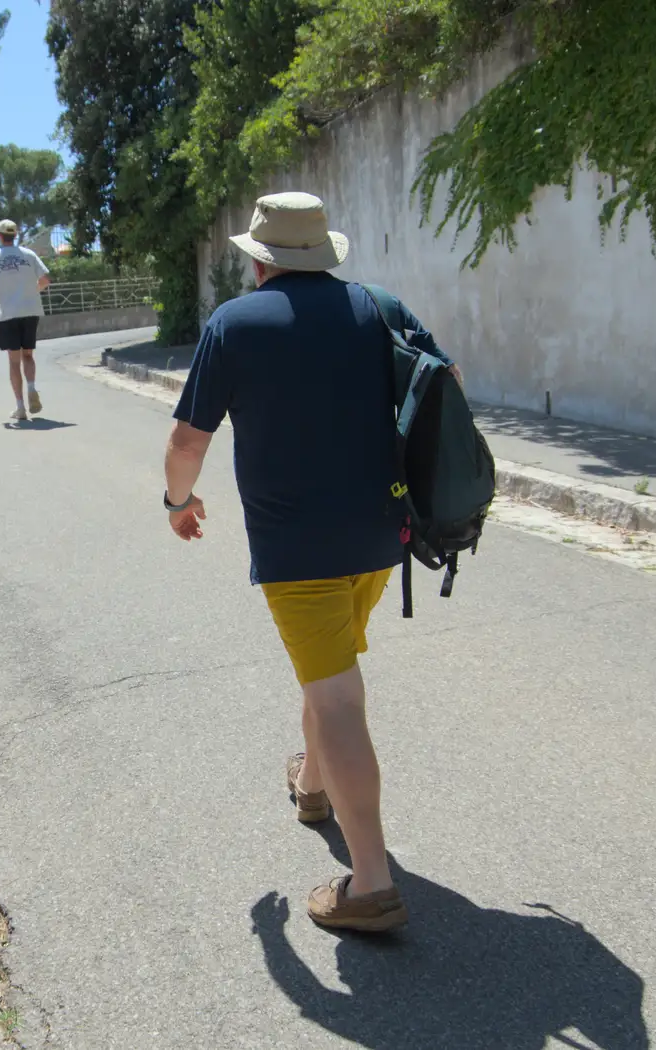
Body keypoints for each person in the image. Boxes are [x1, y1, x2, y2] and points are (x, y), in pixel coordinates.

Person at [161, 191, 458, 934]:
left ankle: (372, 884)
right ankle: (312, 785)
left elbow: (188, 442)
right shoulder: (379, 306)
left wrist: (178, 503)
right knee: (326, 671)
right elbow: (445, 386)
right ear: (324, 252)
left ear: (259, 258)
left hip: (298, 553)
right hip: (382, 538)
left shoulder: (234, 323)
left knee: (337, 698)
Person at [0, 219, 51, 421]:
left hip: (8, 314)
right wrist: (32, 291)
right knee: (28, 355)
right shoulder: (29, 255)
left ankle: (20, 407)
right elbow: (46, 279)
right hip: (31, 311)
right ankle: (32, 388)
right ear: (15, 235)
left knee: (14, 361)